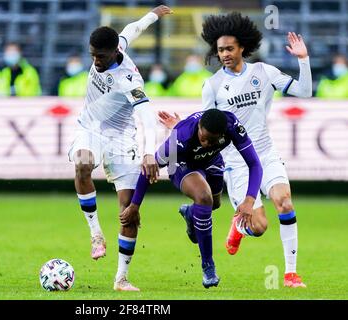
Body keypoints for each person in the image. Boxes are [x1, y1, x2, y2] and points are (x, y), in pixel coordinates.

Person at [159, 12, 312, 288]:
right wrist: (178, 126)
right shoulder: (213, 85)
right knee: (260, 226)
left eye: (229, 48)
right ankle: (240, 225)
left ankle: (290, 274)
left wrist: (303, 59)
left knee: (285, 202)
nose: (225, 54)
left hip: (264, 152)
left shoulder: (264, 72)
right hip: (236, 162)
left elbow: (304, 91)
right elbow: (203, 126)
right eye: (220, 50)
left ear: (242, 47)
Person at [68, 5, 173, 291]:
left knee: (129, 211)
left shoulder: (130, 79)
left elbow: (146, 115)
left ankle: (121, 278)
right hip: (91, 128)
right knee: (83, 163)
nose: (95, 61)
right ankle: (96, 234)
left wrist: (149, 152)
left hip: (122, 138)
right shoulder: (115, 45)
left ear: (115, 53)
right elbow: (132, 30)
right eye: (92, 55)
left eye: (100, 56)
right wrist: (153, 14)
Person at [120, 109, 263, 288]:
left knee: (214, 204)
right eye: (203, 137)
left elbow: (255, 164)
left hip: (212, 162)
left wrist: (249, 200)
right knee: (204, 197)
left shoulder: (231, 125)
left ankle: (190, 213)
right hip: (182, 165)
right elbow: (148, 169)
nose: (205, 143)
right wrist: (134, 205)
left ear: (222, 133)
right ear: (199, 127)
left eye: (212, 140)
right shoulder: (180, 139)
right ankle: (208, 266)